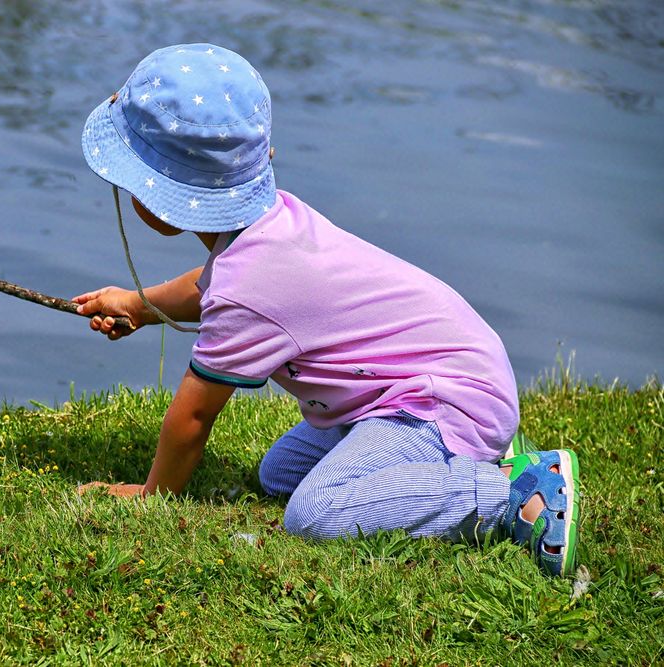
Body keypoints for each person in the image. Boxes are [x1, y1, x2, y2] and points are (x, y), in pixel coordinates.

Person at [71, 43, 580, 577]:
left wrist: (152, 494)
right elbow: (210, 288)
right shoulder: (269, 227)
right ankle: (469, 453)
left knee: (315, 512)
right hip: (419, 387)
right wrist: (139, 305)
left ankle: (515, 492)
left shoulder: (253, 284)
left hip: (439, 397)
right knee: (281, 474)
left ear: (161, 197)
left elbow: (195, 415)